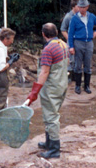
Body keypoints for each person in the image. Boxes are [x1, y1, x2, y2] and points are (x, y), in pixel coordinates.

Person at [26, 23, 69, 159]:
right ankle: (49, 143)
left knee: (51, 117)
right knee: (50, 114)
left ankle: (54, 149)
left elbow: (44, 72)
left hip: (51, 87)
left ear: (43, 34)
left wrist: (35, 91)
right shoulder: (63, 44)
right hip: (62, 84)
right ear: (56, 32)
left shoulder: (48, 50)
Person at [68, 0, 96, 94]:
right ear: (78, 7)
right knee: (78, 65)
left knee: (88, 64)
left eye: (83, 7)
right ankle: (77, 86)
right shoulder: (74, 18)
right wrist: (71, 46)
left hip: (89, 43)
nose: (81, 9)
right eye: (80, 7)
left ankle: (87, 86)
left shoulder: (91, 16)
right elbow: (70, 33)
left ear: (87, 7)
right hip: (78, 42)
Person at [0, 28, 20, 129]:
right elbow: (1, 68)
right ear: (6, 38)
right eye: (12, 39)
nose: (12, 41)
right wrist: (11, 62)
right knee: (0, 102)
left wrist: (9, 57)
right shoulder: (0, 49)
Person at [60, 0, 79, 83]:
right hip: (71, 42)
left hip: (80, 42)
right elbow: (63, 30)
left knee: (78, 59)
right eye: (79, 6)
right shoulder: (68, 17)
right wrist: (70, 40)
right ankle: (68, 78)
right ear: (74, 6)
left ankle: (76, 78)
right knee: (70, 60)